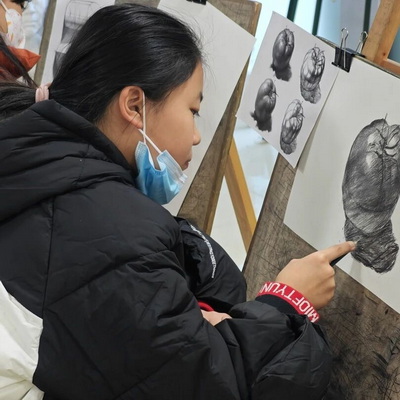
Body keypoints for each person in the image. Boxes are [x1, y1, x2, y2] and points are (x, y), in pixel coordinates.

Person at [0, 4, 355, 400]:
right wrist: (286, 302)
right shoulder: (112, 229)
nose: (197, 136)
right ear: (134, 106)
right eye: (193, 110)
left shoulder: (35, 163)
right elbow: (220, 384)